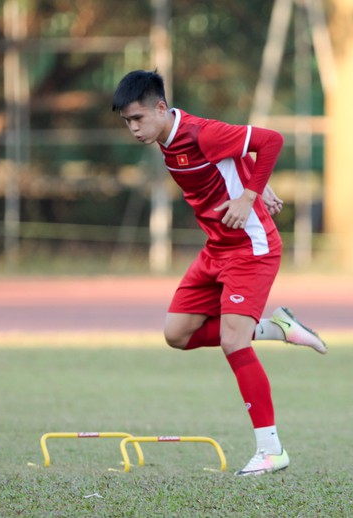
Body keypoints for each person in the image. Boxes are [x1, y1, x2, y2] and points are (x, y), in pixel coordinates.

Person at [112, 70, 326, 476]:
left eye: (138, 118)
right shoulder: (166, 138)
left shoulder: (200, 133)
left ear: (161, 107)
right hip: (216, 248)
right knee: (177, 334)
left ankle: (270, 450)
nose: (133, 128)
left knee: (232, 342)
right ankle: (276, 328)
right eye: (127, 122)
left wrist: (250, 195)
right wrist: (255, 183)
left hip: (250, 248)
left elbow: (270, 141)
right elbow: (235, 155)